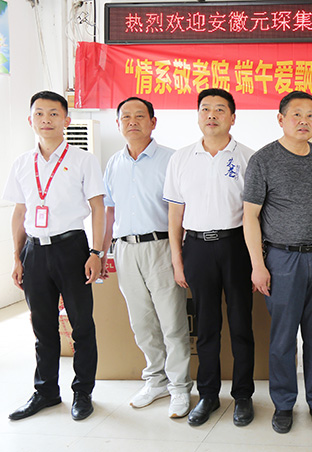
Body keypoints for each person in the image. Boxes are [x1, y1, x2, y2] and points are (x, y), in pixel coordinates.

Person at [5, 90, 104, 421]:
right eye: (39, 114)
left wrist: (96, 252)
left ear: (66, 120)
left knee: (81, 325)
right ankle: (46, 391)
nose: (45, 120)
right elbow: (20, 212)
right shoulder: (22, 163)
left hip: (71, 248)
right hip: (34, 250)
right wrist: (17, 257)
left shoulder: (83, 160)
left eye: (53, 114)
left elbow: (98, 207)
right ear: (30, 119)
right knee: (42, 327)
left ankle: (83, 392)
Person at [242, 91, 312, 434]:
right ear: (280, 119)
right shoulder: (264, 160)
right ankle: (283, 404)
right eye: (296, 114)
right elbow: (250, 216)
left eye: (310, 115)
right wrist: (258, 265)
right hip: (282, 259)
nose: (304, 121)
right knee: (283, 338)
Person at [163, 88, 255, 427]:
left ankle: (243, 396)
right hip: (197, 248)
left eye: (219, 109)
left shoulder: (248, 158)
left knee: (241, 325)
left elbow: (255, 215)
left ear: (233, 117)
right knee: (206, 328)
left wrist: (256, 260)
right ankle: (208, 395)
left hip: (236, 246)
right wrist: (177, 260)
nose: (211, 115)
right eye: (205, 109)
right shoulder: (181, 158)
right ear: (198, 115)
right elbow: (175, 215)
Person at [101, 97, 192, 418]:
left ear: (153, 122)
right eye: (125, 117)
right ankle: (156, 380)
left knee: (172, 321)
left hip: (161, 246)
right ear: (118, 124)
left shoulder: (172, 160)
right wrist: (102, 251)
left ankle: (180, 387)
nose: (132, 122)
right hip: (125, 250)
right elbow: (109, 212)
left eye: (140, 116)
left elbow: (181, 211)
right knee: (142, 322)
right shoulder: (113, 163)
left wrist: (179, 254)